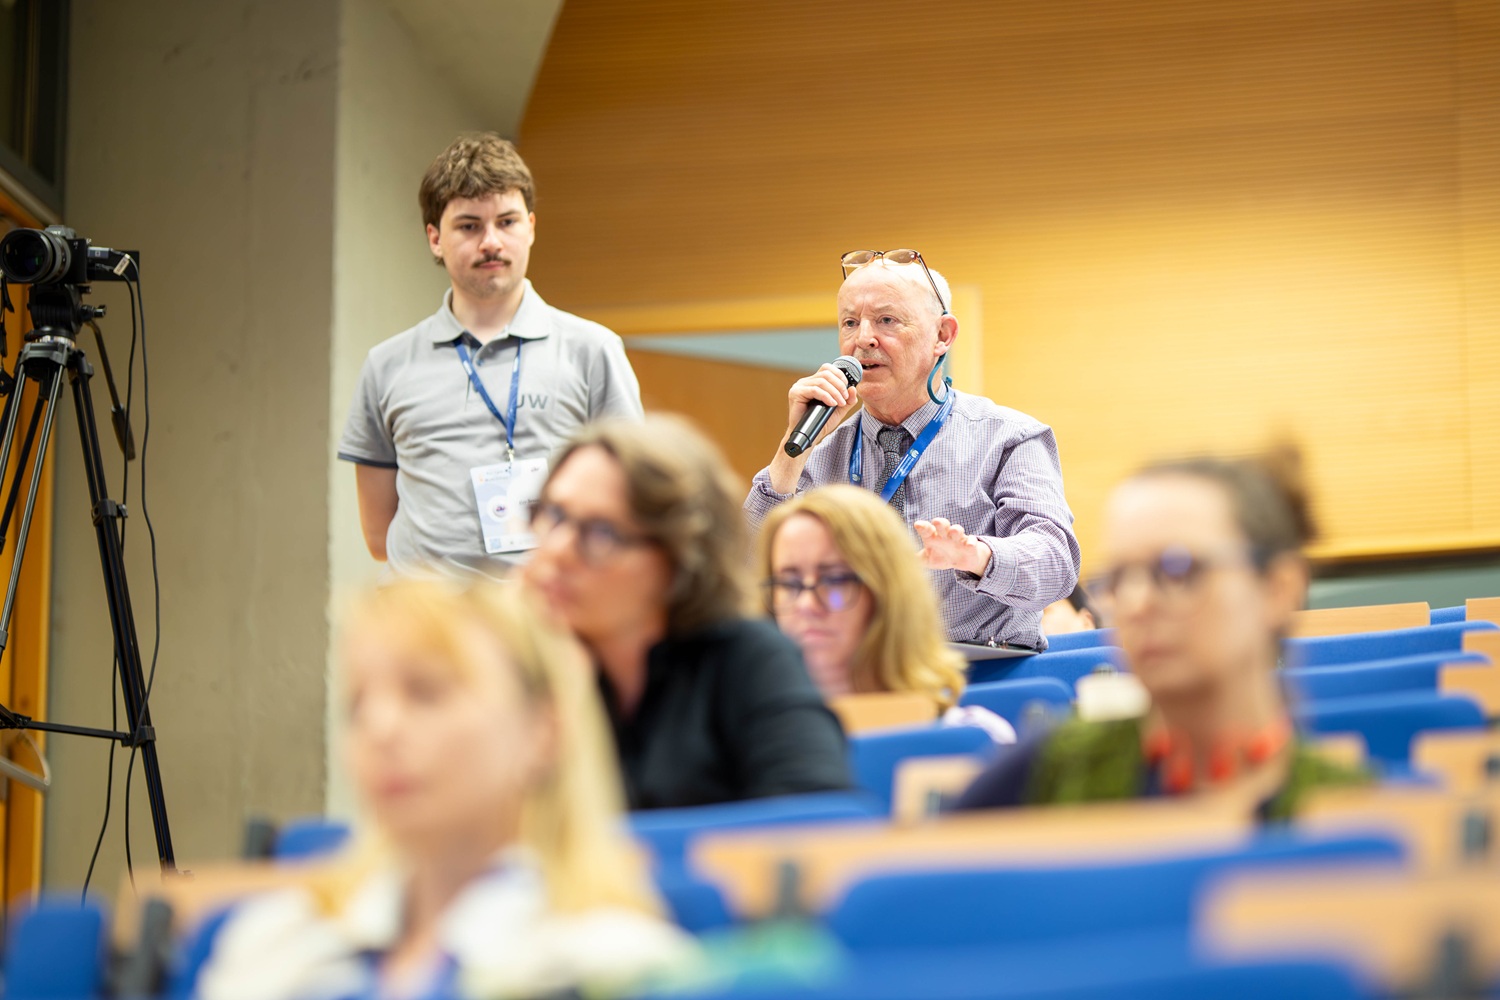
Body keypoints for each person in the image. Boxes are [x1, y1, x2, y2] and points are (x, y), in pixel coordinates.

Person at [197, 578, 693, 1000]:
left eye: (427, 691)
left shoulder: (617, 965)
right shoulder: (275, 941)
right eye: (357, 704)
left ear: (542, 732)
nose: (380, 727)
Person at [954, 448, 1366, 820]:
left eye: (1178, 570)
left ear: (1278, 588)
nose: (1137, 603)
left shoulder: (1351, 815)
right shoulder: (1047, 774)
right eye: (1119, 577)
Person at [338, 133, 643, 576]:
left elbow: (629, 499)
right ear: (435, 238)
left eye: (507, 222)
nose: (491, 242)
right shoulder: (386, 365)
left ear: (531, 227)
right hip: (426, 614)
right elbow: (377, 536)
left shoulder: (593, 351)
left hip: (548, 607)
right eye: (469, 226)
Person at [744, 249, 1080, 650]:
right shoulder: (818, 454)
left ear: (943, 336)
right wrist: (791, 449)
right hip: (857, 674)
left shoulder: (1008, 437)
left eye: (886, 320)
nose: (863, 338)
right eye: (850, 322)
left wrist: (974, 556)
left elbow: (1055, 563)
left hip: (982, 670)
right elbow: (746, 567)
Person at [523, 414, 852, 810]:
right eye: (554, 516)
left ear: (677, 559)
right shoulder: (520, 664)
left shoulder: (748, 660)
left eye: (600, 532)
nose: (556, 550)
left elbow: (820, 826)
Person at [758, 485, 1015, 743]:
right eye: (788, 583)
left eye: (834, 580)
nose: (806, 603)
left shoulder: (976, 739)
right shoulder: (748, 743)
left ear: (887, 593)